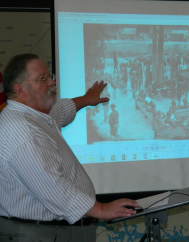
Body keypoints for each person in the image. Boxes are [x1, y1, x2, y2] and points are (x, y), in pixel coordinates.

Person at [0, 54, 137, 242]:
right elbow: (51, 185)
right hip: (41, 233)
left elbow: (59, 111)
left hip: (53, 230)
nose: (52, 82)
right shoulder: (22, 131)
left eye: (49, 76)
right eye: (43, 79)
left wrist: (86, 99)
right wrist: (102, 210)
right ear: (21, 90)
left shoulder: (33, 117)